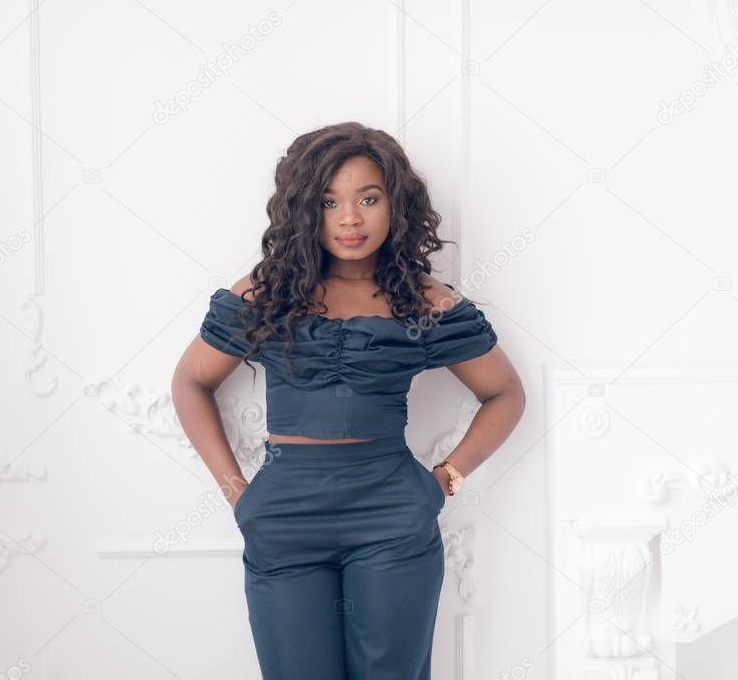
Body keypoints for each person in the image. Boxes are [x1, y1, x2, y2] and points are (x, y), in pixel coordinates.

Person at [171, 121, 525, 679]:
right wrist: (237, 492)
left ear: (396, 204)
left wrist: (446, 478)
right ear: (305, 208)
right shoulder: (266, 292)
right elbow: (190, 381)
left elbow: (504, 393)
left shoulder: (426, 302)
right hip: (282, 519)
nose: (350, 218)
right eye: (329, 201)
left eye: (368, 198)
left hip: (392, 517)